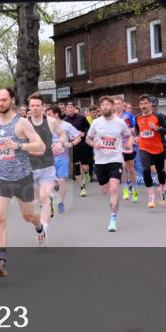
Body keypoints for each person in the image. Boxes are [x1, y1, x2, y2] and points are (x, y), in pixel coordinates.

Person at [0, 88, 47, 277]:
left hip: (22, 177)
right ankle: (2, 261)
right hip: (1, 178)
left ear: (12, 100)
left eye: (4, 100)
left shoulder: (22, 123)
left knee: (28, 216)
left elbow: (40, 145)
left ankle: (39, 228)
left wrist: (18, 145)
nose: (0, 103)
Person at [86, 97, 133, 232]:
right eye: (103, 105)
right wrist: (94, 143)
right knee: (104, 191)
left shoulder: (120, 122)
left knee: (114, 189)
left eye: (107, 104)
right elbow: (88, 138)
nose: (105, 107)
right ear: (100, 108)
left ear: (112, 107)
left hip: (115, 160)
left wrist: (129, 142)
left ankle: (113, 219)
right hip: (100, 161)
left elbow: (129, 135)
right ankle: (109, 199)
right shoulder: (96, 122)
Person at [27, 93, 68, 235]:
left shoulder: (51, 122)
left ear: (43, 107)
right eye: (32, 106)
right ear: (29, 107)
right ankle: (46, 205)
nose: (35, 108)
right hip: (30, 167)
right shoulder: (23, 123)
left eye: (38, 105)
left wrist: (59, 143)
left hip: (47, 166)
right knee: (36, 200)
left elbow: (62, 134)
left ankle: (43, 230)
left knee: (44, 196)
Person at [135, 95, 166, 208]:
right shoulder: (137, 118)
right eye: (141, 104)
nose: (143, 106)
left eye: (145, 103)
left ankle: (162, 189)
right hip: (144, 147)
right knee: (145, 169)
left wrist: (157, 129)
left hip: (158, 148)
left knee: (160, 171)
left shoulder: (158, 116)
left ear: (150, 104)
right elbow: (137, 129)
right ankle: (151, 197)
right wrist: (136, 136)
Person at [46, 105, 80, 213]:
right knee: (49, 181)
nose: (47, 117)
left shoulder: (67, 125)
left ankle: (60, 203)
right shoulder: (45, 125)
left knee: (62, 180)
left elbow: (78, 137)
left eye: (49, 114)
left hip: (62, 157)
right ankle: (49, 200)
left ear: (56, 114)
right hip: (48, 157)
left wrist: (70, 144)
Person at [62, 102, 92, 198]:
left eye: (71, 107)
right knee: (76, 167)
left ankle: (87, 173)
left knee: (84, 166)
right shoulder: (64, 120)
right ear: (66, 109)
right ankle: (82, 188)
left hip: (82, 144)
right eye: (68, 107)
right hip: (72, 146)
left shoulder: (81, 118)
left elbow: (89, 128)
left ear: (75, 108)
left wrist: (84, 133)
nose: (70, 109)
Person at [116, 98, 138, 200]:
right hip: (117, 147)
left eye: (119, 104)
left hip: (128, 145)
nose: (117, 106)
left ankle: (135, 190)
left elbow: (134, 129)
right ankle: (125, 191)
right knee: (122, 167)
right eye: (115, 104)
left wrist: (127, 130)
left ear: (122, 105)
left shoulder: (127, 116)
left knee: (131, 170)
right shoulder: (112, 118)